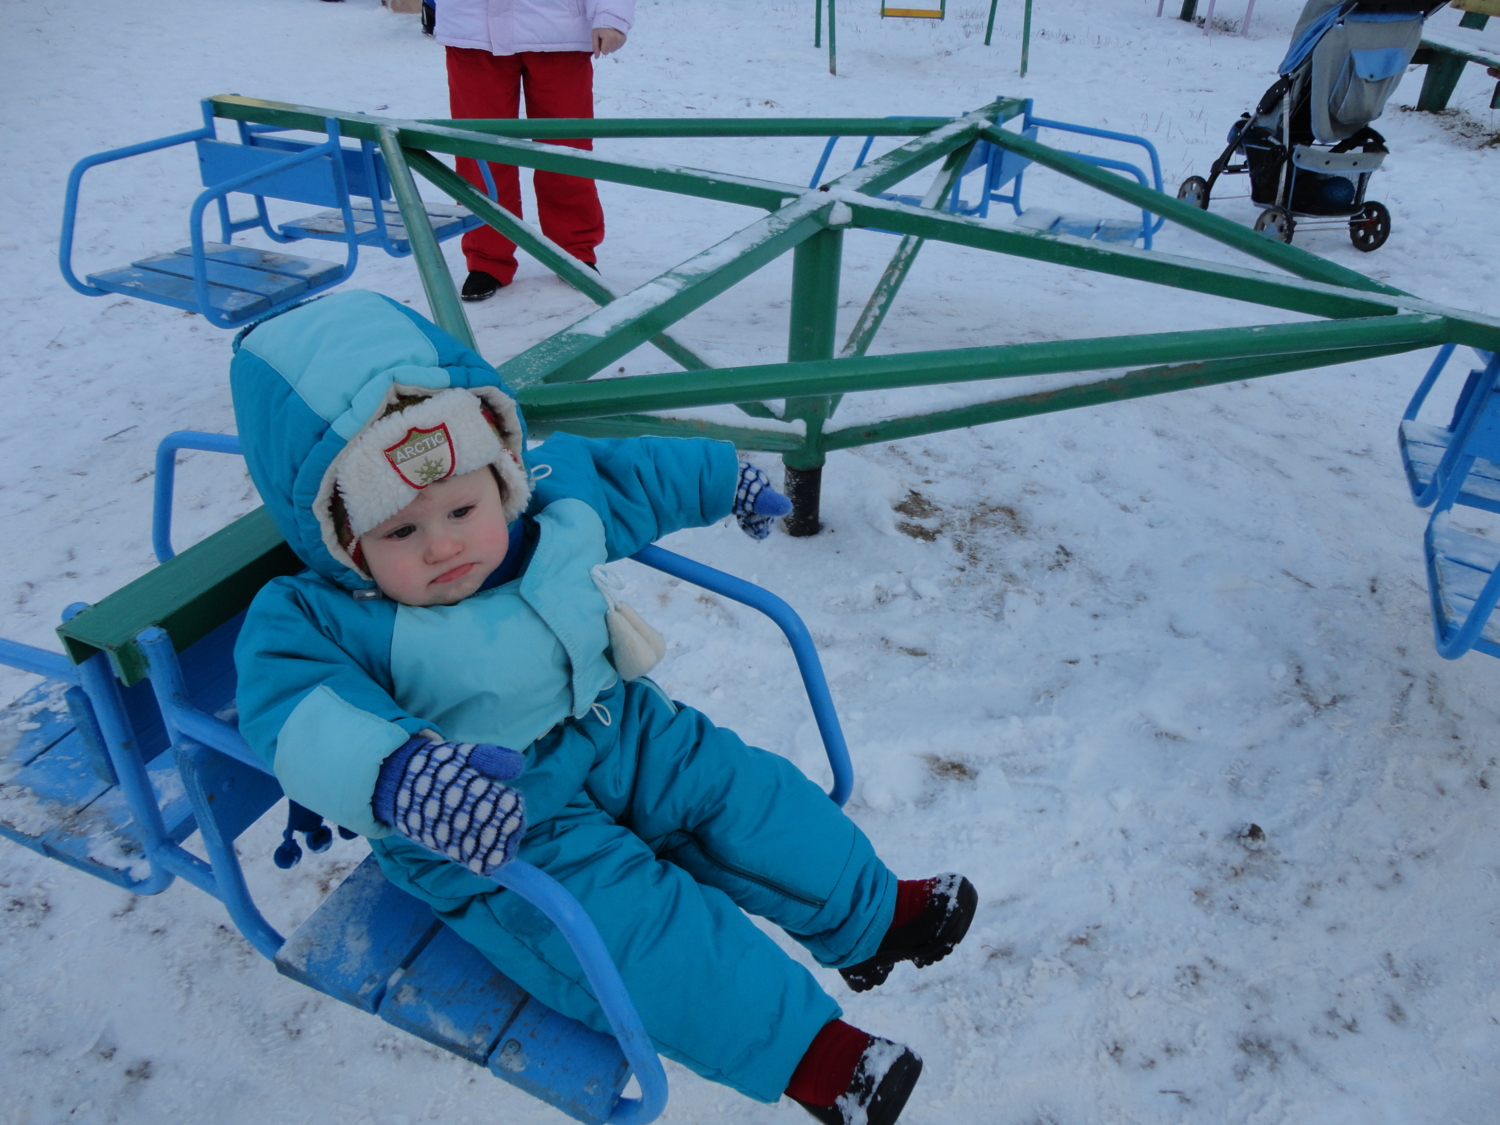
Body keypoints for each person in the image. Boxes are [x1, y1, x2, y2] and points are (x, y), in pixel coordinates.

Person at [229, 290, 977, 1125]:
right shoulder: (317, 616)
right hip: (494, 818)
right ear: (342, 540)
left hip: (621, 726)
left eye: (463, 509)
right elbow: (294, 711)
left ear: (502, 474)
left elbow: (630, 474)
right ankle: (813, 1056)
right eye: (399, 532)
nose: (443, 544)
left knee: (746, 795)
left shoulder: (548, 505)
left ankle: (875, 916)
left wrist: (723, 477)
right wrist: (407, 778)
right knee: (634, 927)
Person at [432, 0, 635, 301]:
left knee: (566, 152)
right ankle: (487, 258)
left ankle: (574, 252)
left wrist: (612, 14)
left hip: (559, 30)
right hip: (471, 29)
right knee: (480, 155)